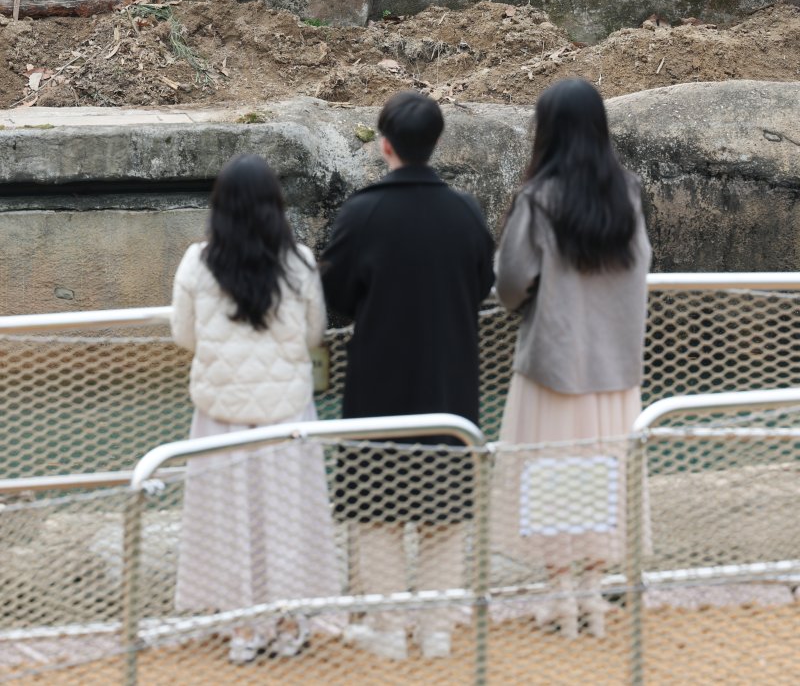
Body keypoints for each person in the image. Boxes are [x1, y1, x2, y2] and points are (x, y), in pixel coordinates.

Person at [321, 90, 495, 661]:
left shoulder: (362, 212)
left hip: (378, 385)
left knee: (377, 512)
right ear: (436, 142)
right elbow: (482, 284)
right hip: (450, 383)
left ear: (385, 144)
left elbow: (336, 295)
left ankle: (389, 628)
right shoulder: (465, 211)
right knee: (446, 513)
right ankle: (439, 629)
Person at [493, 78, 652, 639]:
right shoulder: (626, 193)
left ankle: (560, 598)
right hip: (615, 372)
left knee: (551, 477)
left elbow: (510, 282)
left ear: (548, 131)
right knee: (603, 476)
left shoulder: (539, 199)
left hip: (556, 367)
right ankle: (591, 594)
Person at [170, 154, 341, 665]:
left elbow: (183, 336)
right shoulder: (301, 263)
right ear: (275, 207)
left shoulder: (196, 263)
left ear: (218, 206)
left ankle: (243, 628)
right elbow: (314, 335)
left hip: (219, 414)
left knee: (228, 518)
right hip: (287, 412)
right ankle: (290, 623)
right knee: (286, 517)